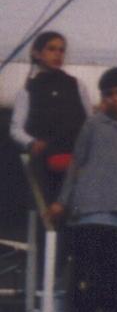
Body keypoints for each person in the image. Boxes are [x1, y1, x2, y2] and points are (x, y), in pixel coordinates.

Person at [47, 67, 117, 312]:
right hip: (90, 212)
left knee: (115, 280)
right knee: (85, 276)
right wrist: (62, 200)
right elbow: (76, 162)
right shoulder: (92, 125)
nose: (115, 99)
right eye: (109, 94)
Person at [10, 31, 92, 203]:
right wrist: (31, 142)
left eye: (62, 50)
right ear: (37, 53)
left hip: (76, 158)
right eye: (52, 49)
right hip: (47, 160)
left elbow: (89, 121)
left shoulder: (77, 85)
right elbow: (16, 129)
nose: (57, 54)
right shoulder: (27, 90)